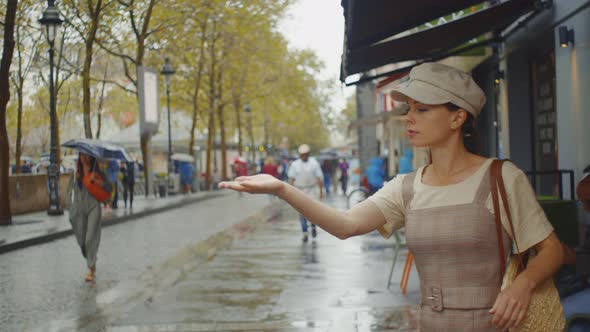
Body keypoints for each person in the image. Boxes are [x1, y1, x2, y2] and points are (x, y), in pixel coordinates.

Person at [219, 62, 564, 331]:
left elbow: (552, 251)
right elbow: (345, 225)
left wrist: (523, 285)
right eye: (408, 109)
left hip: (496, 325)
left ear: (458, 117)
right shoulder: (407, 187)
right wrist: (282, 188)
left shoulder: (500, 177)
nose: (409, 118)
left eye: (423, 109)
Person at [66, 153, 112, 282]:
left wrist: (98, 181)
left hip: (93, 207)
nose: (84, 158)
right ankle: (92, 258)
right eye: (82, 155)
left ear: (91, 157)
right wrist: (69, 206)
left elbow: (109, 188)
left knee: (90, 237)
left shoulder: (98, 173)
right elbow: (69, 190)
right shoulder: (75, 173)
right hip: (78, 208)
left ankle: (91, 269)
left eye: (87, 155)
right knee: (82, 241)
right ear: (79, 157)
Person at [287, 144, 324, 242]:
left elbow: (319, 177)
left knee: (312, 211)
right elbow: (291, 179)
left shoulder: (314, 163)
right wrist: (289, 192)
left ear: (308, 154)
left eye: (306, 154)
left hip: (311, 189)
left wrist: (321, 191)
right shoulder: (295, 164)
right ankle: (304, 232)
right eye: (302, 155)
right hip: (299, 190)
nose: (304, 156)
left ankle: (313, 226)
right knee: (301, 211)